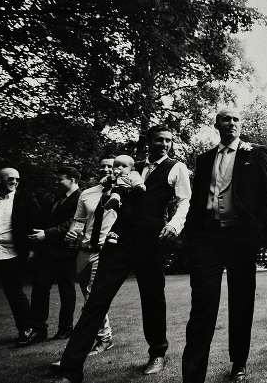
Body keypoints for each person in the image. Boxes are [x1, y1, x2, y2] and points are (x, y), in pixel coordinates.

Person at [56, 125, 191, 382]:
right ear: (148, 142)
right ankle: (70, 368)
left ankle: (157, 353)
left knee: (152, 298)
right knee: (96, 299)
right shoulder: (130, 165)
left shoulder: (176, 167)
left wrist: (174, 225)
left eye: (169, 141)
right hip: (120, 240)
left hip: (153, 240)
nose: (164, 144)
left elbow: (185, 200)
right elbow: (109, 187)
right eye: (159, 140)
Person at [181, 107, 267, 383]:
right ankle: (193, 374)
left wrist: (258, 235)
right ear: (216, 124)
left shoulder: (256, 153)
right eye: (226, 118)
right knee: (202, 304)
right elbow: (197, 199)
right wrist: (192, 233)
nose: (231, 122)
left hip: (241, 238)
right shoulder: (204, 158)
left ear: (240, 124)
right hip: (207, 236)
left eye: (236, 119)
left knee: (241, 300)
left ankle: (239, 361)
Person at [0, 167, 42, 345]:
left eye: (17, 179)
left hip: (11, 253)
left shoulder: (26, 198)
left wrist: (32, 249)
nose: (14, 182)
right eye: (10, 179)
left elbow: (36, 225)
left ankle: (27, 330)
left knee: (14, 292)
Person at [65, 156, 117, 356]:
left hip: (104, 252)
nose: (106, 169)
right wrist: (73, 232)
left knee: (91, 298)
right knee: (88, 296)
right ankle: (105, 337)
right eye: (103, 166)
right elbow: (78, 221)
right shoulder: (87, 193)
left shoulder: (124, 194)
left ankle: (101, 339)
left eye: (110, 166)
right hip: (83, 252)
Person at [23, 165, 82, 345]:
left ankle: (66, 329)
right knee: (40, 289)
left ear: (72, 180)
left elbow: (70, 224)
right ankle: (38, 330)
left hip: (65, 252)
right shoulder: (59, 198)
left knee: (66, 290)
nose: (57, 181)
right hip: (47, 252)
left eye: (60, 179)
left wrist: (46, 234)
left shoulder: (80, 198)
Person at [101, 154, 146, 243]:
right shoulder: (114, 175)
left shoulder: (133, 174)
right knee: (118, 191)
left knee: (125, 214)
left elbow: (137, 181)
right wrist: (112, 178)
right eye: (117, 166)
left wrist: (139, 186)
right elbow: (104, 182)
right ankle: (114, 200)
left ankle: (115, 232)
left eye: (124, 166)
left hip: (128, 195)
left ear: (131, 168)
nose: (120, 168)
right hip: (117, 190)